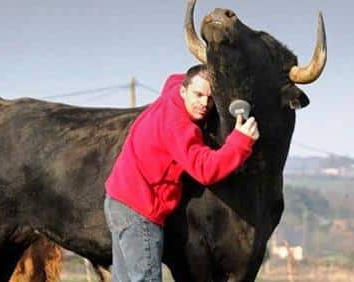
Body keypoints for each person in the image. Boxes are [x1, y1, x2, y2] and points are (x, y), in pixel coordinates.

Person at [104, 64, 259, 281]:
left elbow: (172, 77)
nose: (204, 103)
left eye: (210, 97)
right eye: (198, 95)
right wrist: (241, 142)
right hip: (139, 212)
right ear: (183, 91)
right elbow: (205, 169)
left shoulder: (172, 91)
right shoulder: (179, 126)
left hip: (117, 201)